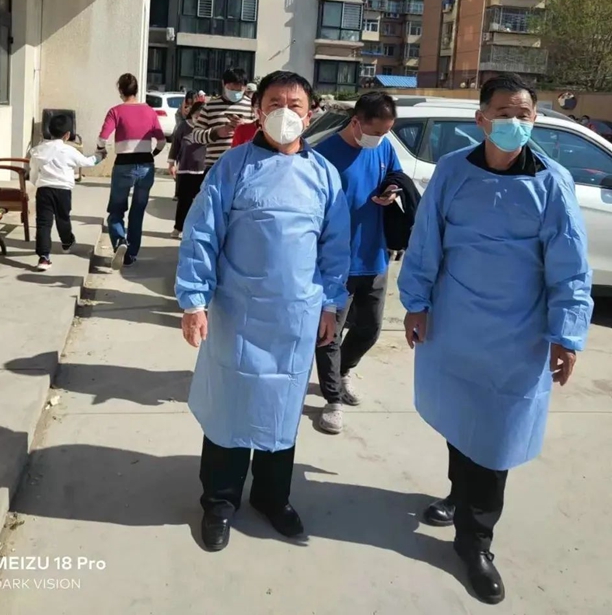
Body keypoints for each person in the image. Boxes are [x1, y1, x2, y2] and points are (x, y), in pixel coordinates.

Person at [397, 73, 593, 605]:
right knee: (461, 417)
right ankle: (459, 494)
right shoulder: (452, 171)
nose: (514, 123)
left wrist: (566, 333)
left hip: (518, 332)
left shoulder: (551, 182)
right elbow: (427, 239)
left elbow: (570, 265)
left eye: (523, 114)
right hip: (455, 323)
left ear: (536, 120)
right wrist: (416, 302)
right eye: (504, 113)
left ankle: (476, 542)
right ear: (481, 119)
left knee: (498, 434)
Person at [175, 70, 351, 553]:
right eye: (275, 103)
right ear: (257, 110)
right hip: (238, 311)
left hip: (295, 316)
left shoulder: (324, 175)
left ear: (310, 115)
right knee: (229, 409)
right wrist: (194, 301)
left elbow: (336, 247)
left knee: (281, 409)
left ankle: (273, 497)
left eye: (296, 105)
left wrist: (331, 304)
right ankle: (219, 501)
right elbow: (202, 234)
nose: (285, 113)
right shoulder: (233, 166)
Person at [313, 92, 403, 434]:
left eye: (386, 132)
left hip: (374, 255)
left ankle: (343, 370)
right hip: (336, 263)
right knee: (329, 334)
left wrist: (392, 190)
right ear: (355, 122)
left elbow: (395, 175)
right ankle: (332, 400)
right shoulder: (323, 155)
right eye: (376, 132)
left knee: (370, 329)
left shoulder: (383, 148)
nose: (380, 139)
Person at [98, 73, 166, 270]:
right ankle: (131, 254)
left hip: (123, 165)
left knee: (116, 210)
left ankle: (120, 241)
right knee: (138, 211)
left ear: (121, 90)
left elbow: (102, 138)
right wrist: (153, 153)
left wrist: (102, 150)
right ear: (136, 90)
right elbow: (162, 141)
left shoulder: (115, 111)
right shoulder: (149, 111)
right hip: (146, 165)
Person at [29, 114, 104, 271]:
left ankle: (43, 257)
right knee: (63, 218)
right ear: (67, 135)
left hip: (44, 190)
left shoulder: (38, 150)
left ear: (48, 131)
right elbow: (87, 162)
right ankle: (67, 242)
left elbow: (33, 173)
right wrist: (99, 156)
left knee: (43, 223)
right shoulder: (69, 151)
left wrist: (37, 183)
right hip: (63, 191)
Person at [191, 68, 256, 172]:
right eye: (232, 89)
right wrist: (216, 132)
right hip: (215, 166)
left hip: (243, 166)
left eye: (239, 90)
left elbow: (260, 132)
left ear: (245, 87)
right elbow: (195, 135)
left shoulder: (251, 106)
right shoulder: (210, 106)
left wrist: (245, 126)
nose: (235, 93)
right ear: (223, 84)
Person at [167, 101, 206, 239]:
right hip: (185, 170)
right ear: (192, 113)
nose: (198, 117)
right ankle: (178, 227)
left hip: (203, 170)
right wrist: (171, 163)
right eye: (197, 114)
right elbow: (175, 145)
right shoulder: (184, 126)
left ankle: (195, 230)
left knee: (201, 203)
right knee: (184, 202)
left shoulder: (209, 128)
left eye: (202, 116)